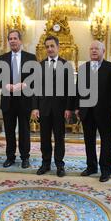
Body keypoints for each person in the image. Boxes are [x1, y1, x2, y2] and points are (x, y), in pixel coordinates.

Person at [76, 40, 111, 182]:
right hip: (87, 112)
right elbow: (78, 89)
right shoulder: (83, 68)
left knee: (107, 142)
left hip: (106, 112)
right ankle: (91, 166)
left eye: (97, 49)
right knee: (88, 141)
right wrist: (77, 107)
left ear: (103, 51)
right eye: (91, 49)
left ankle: (106, 169)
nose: (94, 51)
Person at [31, 36, 74, 177]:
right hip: (43, 108)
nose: (49, 49)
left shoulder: (66, 65)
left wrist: (68, 108)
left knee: (59, 138)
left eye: (52, 46)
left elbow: (70, 89)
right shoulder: (40, 65)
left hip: (60, 109)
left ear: (57, 47)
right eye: (47, 46)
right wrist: (35, 107)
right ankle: (45, 163)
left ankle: (59, 165)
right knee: (44, 138)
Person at [0, 29, 37, 169]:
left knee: (24, 131)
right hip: (8, 100)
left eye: (15, 38)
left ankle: (25, 157)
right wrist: (6, 85)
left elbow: (35, 79)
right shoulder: (2, 58)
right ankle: (10, 157)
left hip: (24, 100)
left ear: (20, 41)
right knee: (9, 130)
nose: (13, 41)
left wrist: (24, 85)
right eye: (10, 38)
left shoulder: (31, 57)